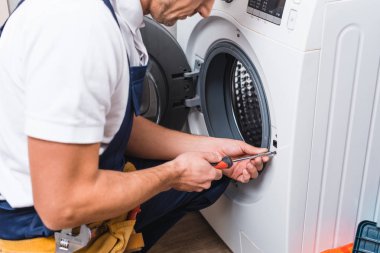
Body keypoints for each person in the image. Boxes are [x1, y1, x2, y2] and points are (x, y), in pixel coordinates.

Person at [0, 0, 269, 252]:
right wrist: (173, 174)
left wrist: (214, 146)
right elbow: (62, 205)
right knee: (187, 181)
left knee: (212, 177)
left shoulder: (119, 18)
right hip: (37, 226)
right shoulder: (79, 28)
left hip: (69, 191)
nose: (206, 11)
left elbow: (117, 127)